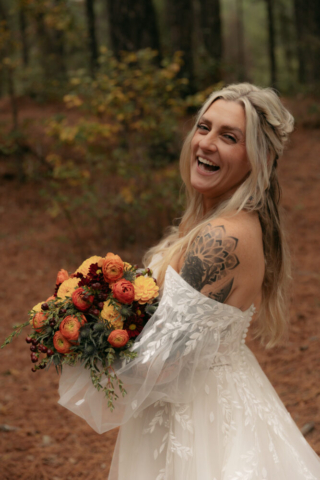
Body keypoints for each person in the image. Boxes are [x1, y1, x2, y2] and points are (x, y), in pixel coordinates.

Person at [58, 83, 320, 479]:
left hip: (201, 421)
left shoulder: (222, 238)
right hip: (188, 402)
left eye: (229, 137)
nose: (207, 143)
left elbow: (164, 363)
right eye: (204, 127)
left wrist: (83, 335)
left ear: (259, 158)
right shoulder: (212, 222)